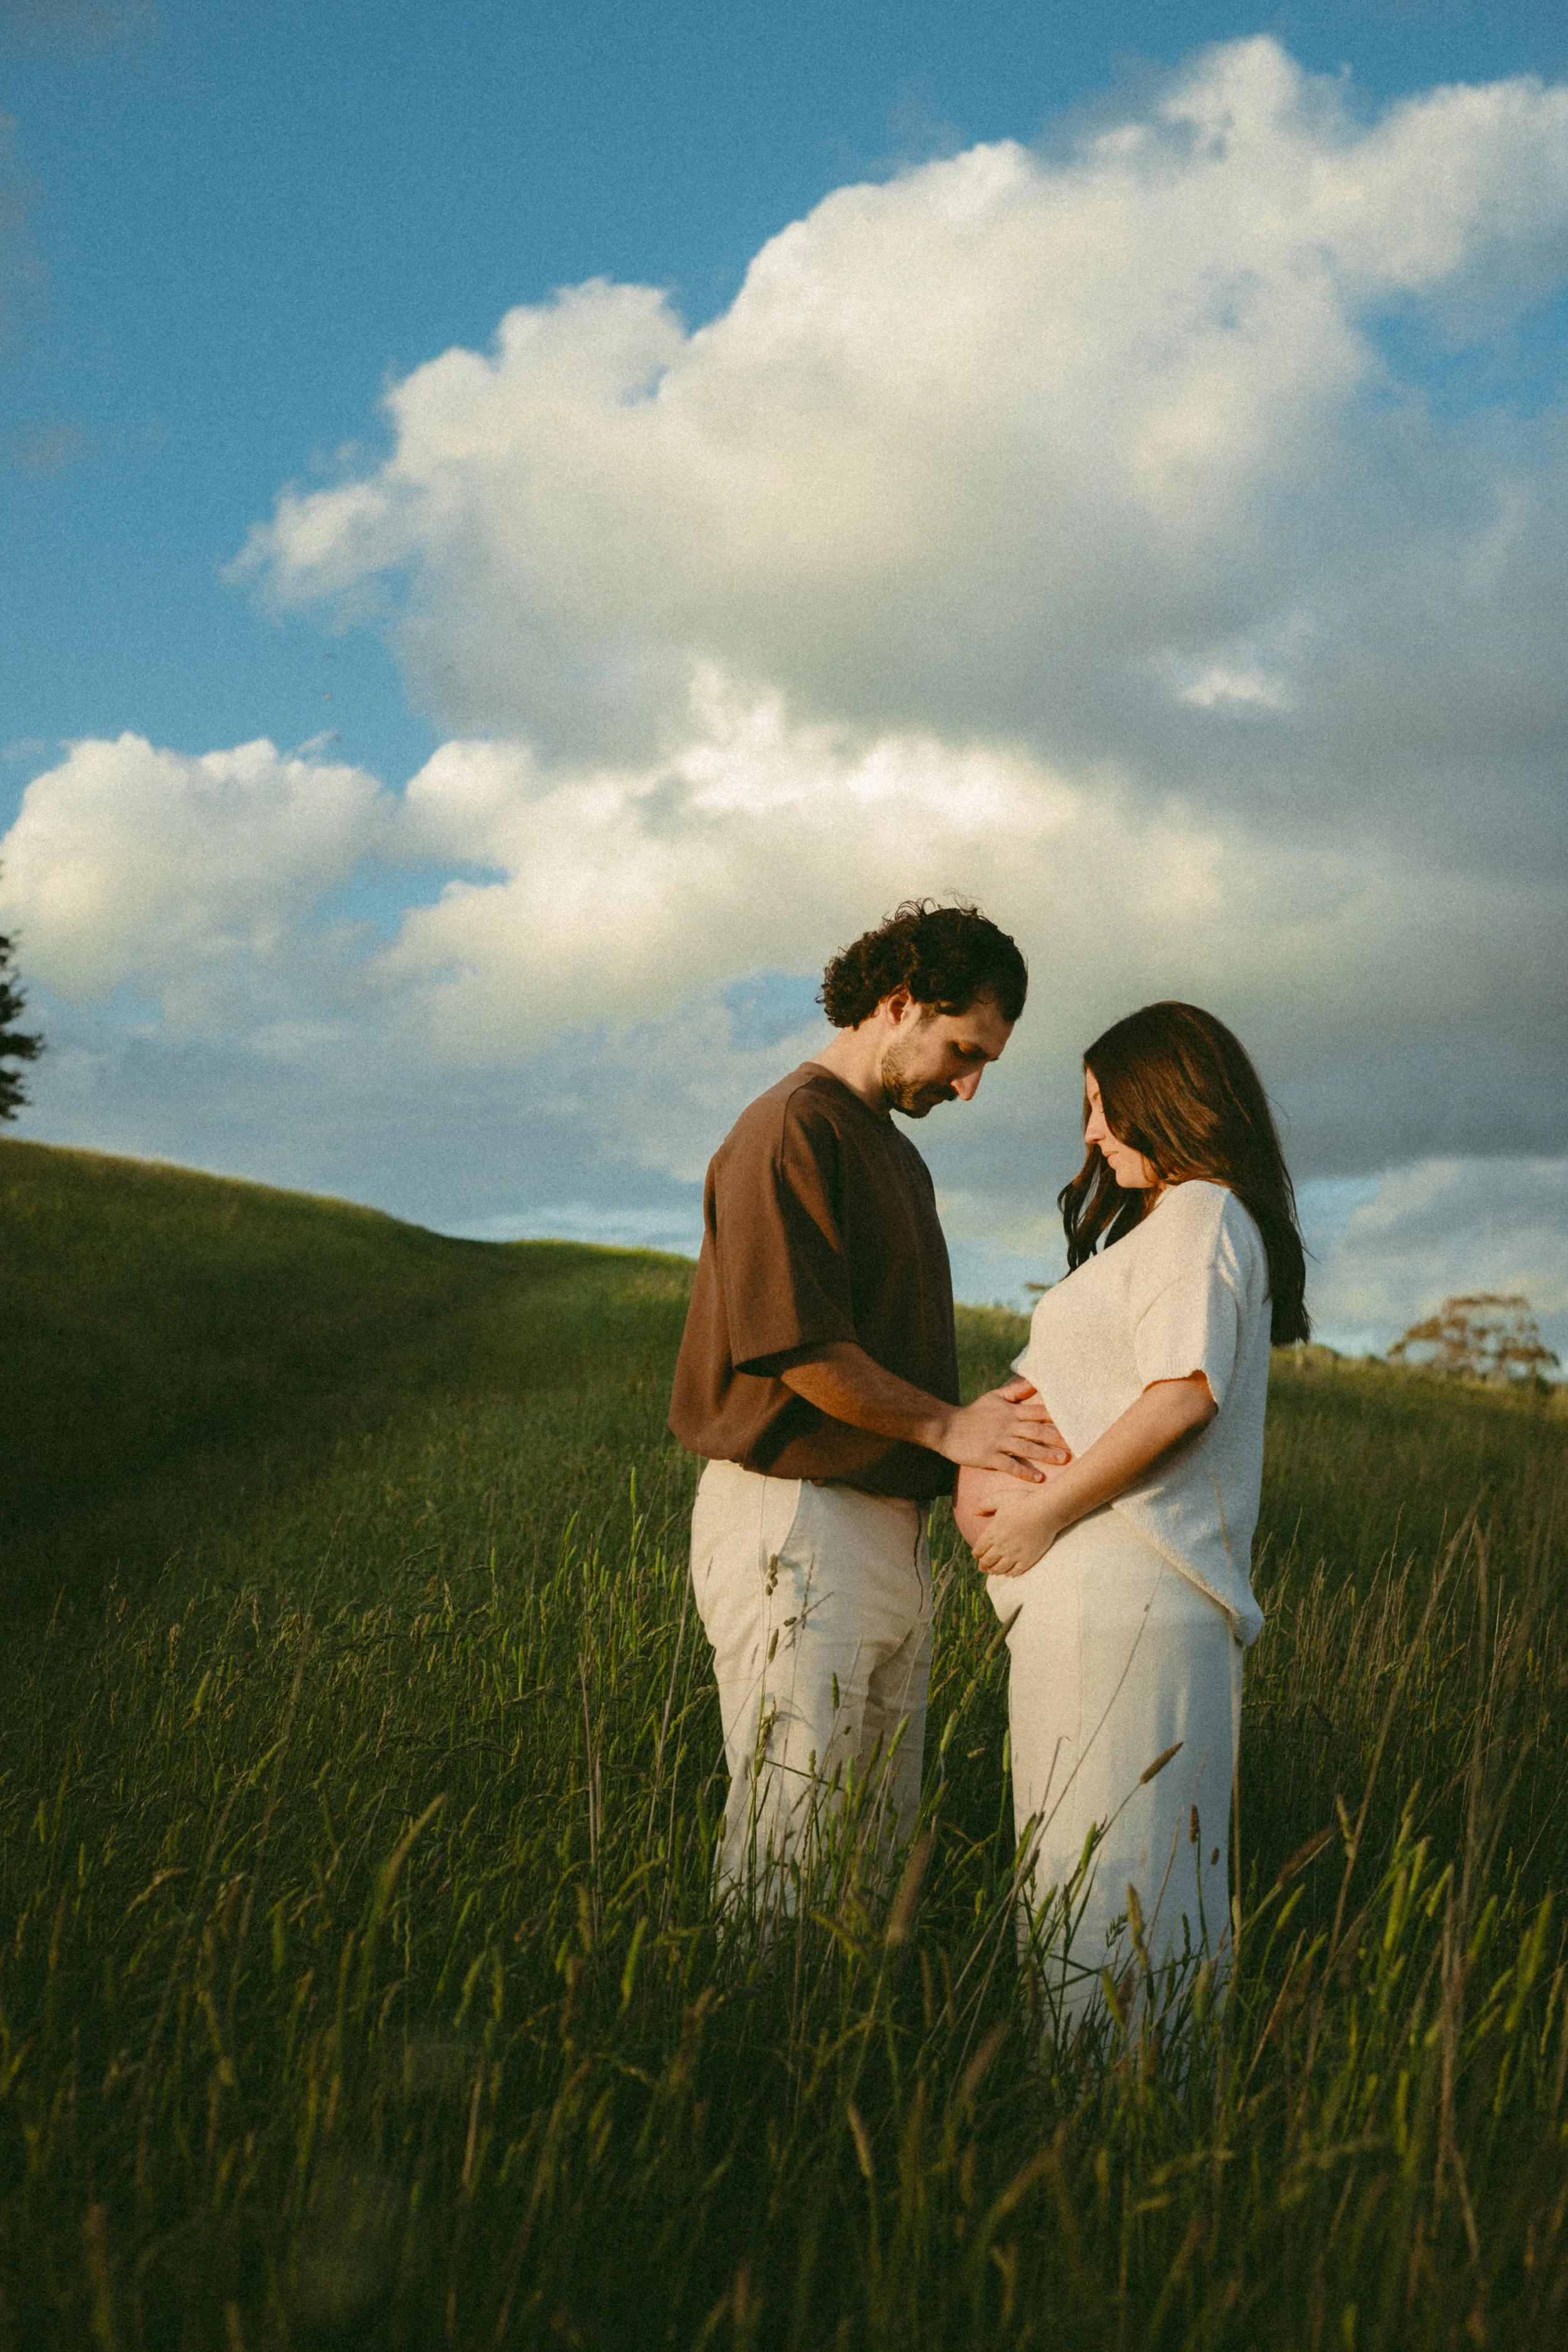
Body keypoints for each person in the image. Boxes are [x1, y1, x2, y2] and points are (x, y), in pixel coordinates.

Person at [669, 901, 1064, 1902]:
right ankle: (754, 2053)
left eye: (986, 1065)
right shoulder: (791, 1127)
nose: (968, 1086)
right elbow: (796, 1347)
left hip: (888, 1532)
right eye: (962, 1050)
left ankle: (835, 2048)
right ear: (897, 1004)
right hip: (796, 1519)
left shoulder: (896, 1152)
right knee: (790, 1847)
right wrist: (949, 1424)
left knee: (872, 1860)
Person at [957, 1000, 1309, 2028]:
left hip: (1127, 1600)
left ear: (1166, 1096)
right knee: (1086, 1875)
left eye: (1102, 1106)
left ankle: (1121, 2129)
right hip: (1101, 1608)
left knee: (1120, 1884)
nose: (1091, 1135)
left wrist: (1035, 1517)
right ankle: (1111, 2128)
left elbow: (1181, 1392)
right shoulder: (1181, 1223)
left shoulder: (1201, 1214)